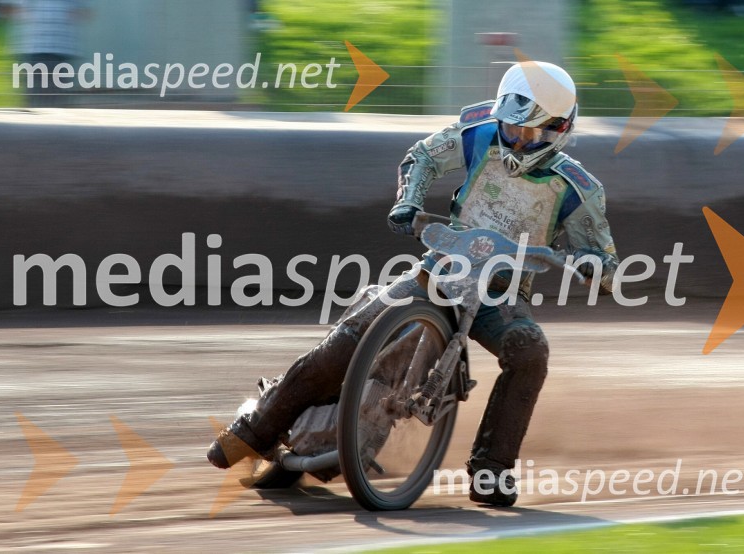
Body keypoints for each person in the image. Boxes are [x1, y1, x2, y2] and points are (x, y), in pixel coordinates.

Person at [207, 61, 620, 507]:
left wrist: (594, 268)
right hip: (440, 267)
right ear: (499, 112)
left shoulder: (579, 189)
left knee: (531, 352)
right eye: (510, 127)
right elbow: (422, 156)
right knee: (348, 338)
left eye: (530, 134)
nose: (515, 140)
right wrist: (409, 200)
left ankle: (491, 470)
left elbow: (605, 258)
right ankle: (256, 430)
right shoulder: (478, 132)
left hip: (499, 296)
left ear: (559, 130)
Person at [0, 0, 88, 107]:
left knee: (57, 103)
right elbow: (6, 9)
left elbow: (83, 11)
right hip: (34, 49)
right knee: (38, 103)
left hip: (60, 49)